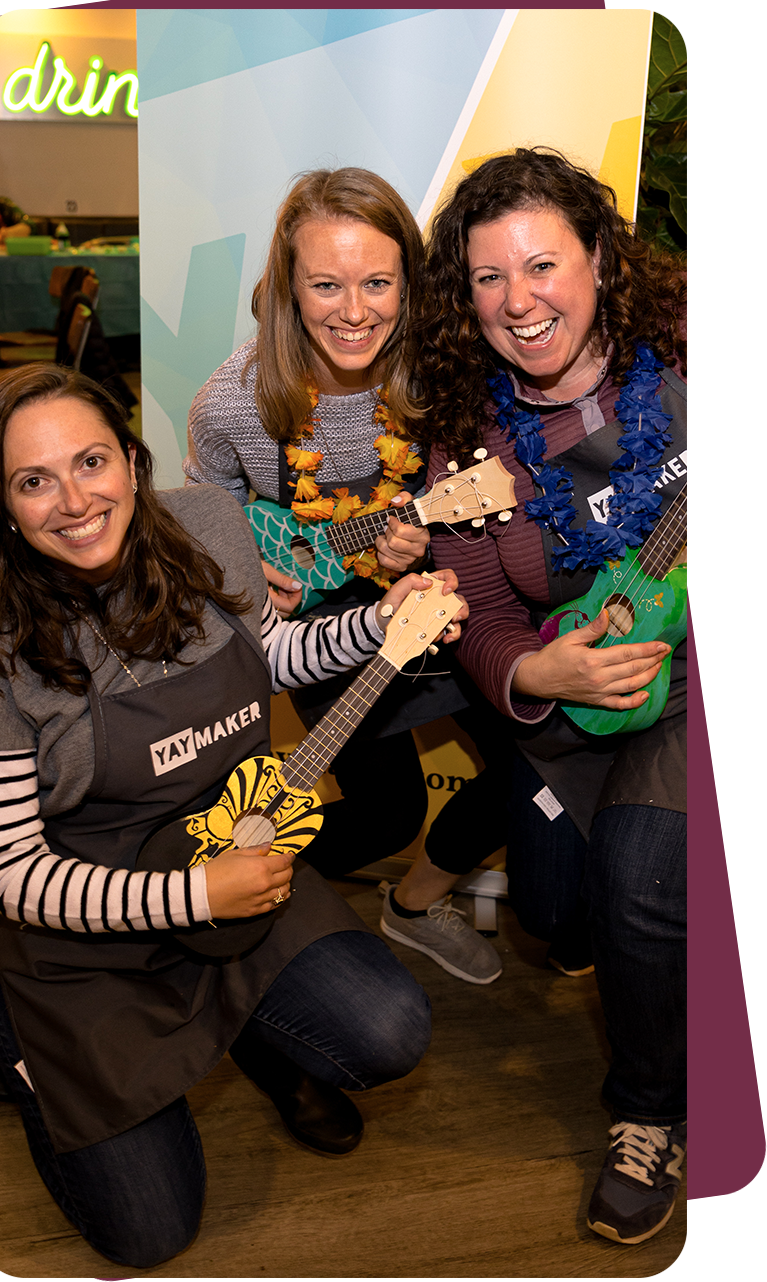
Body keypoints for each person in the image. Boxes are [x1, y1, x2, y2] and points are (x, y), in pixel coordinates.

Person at [0, 363, 466, 1268]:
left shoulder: (205, 524)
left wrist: (377, 624)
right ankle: (27, 1055)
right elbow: (13, 870)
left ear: (132, 461)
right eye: (32, 480)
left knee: (388, 1028)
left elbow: (266, 655)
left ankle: (247, 1023)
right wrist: (189, 895)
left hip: (236, 853)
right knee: (151, 1234)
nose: (72, 499)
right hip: (87, 926)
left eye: (91, 461)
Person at [381, 148, 687, 1245]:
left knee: (641, 880)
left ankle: (647, 1113)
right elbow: (474, 605)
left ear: (600, 260)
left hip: (680, 681)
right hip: (562, 699)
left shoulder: (677, 353)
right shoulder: (467, 429)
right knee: (560, 918)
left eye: (542, 264)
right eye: (485, 278)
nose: (518, 301)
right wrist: (528, 672)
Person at [183, 167, 488, 918]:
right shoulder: (234, 400)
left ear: (409, 285)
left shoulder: (447, 372)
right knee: (385, 813)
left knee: (537, 759)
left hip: (439, 600)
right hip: (320, 627)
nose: (353, 312)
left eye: (377, 284)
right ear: (289, 287)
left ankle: (417, 903)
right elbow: (204, 504)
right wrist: (242, 561)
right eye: (325, 285)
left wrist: (425, 549)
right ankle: (224, 909)